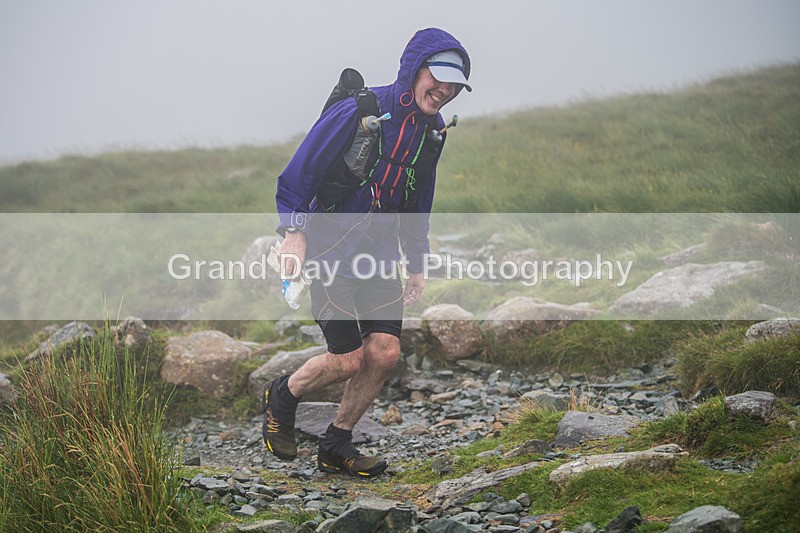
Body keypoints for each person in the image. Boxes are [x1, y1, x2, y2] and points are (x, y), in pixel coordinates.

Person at [264, 27, 472, 477]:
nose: (444, 91)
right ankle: (284, 392)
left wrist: (416, 262)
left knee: (384, 352)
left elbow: (420, 199)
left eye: (454, 85)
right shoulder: (360, 110)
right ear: (413, 70)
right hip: (330, 246)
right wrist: (294, 233)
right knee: (347, 357)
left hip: (379, 252)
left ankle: (335, 443)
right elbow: (300, 172)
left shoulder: (433, 132)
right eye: (437, 78)